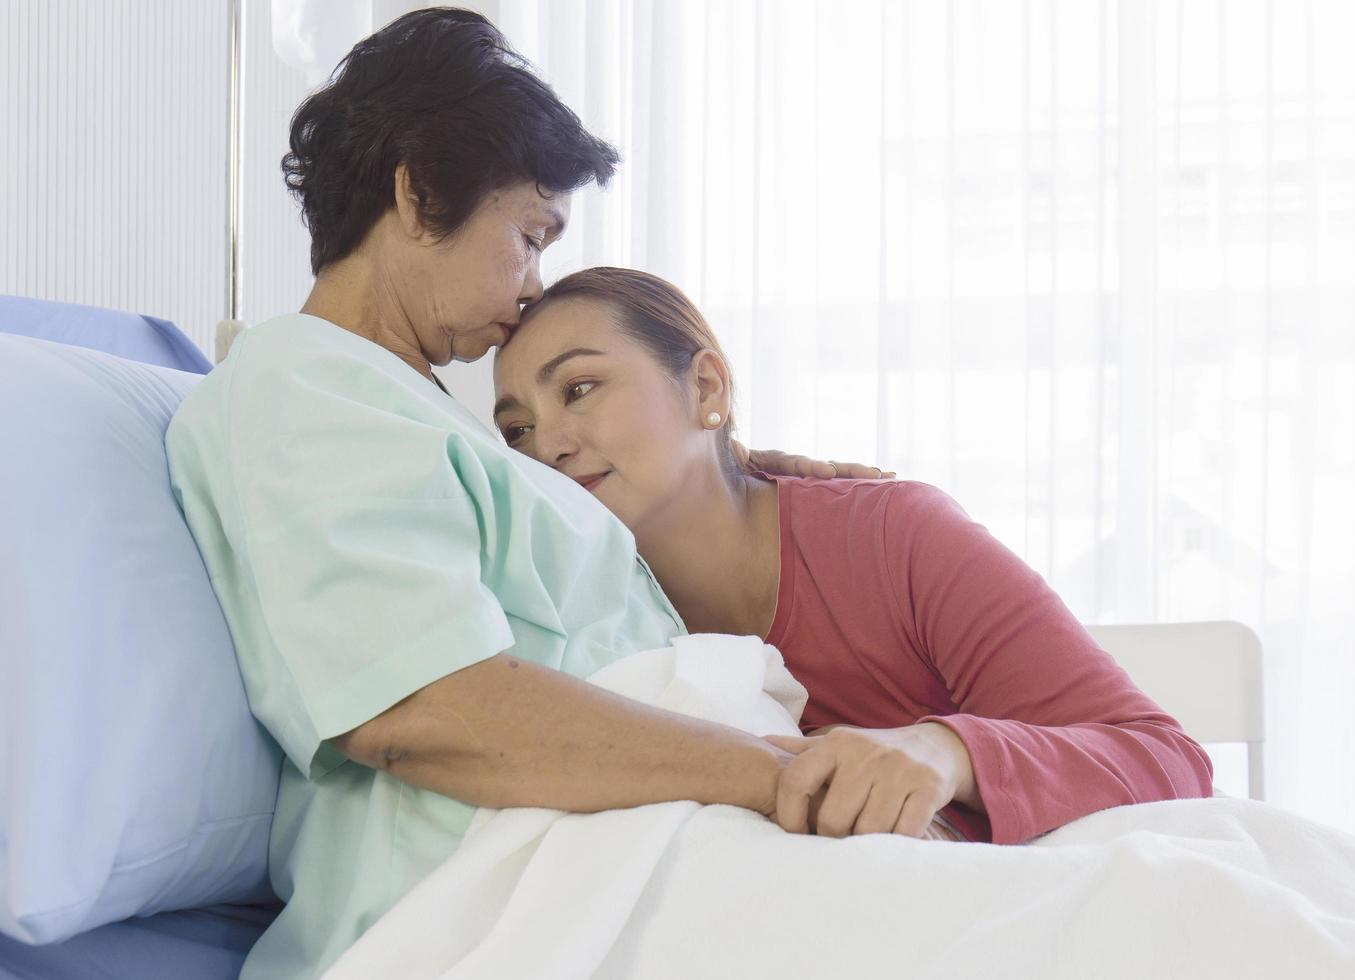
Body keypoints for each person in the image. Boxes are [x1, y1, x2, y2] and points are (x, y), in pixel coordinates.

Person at [165, 10, 882, 978]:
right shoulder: (306, 382)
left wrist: (742, 469)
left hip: (626, 846)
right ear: (420, 194)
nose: (535, 285)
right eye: (530, 234)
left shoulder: (411, 407)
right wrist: (773, 773)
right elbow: (420, 705)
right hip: (499, 897)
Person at [490, 266, 1217, 845]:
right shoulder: (570, 617)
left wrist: (943, 755)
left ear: (705, 386)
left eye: (580, 389)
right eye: (516, 430)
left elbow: (1163, 756)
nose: (547, 444)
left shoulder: (893, 537)